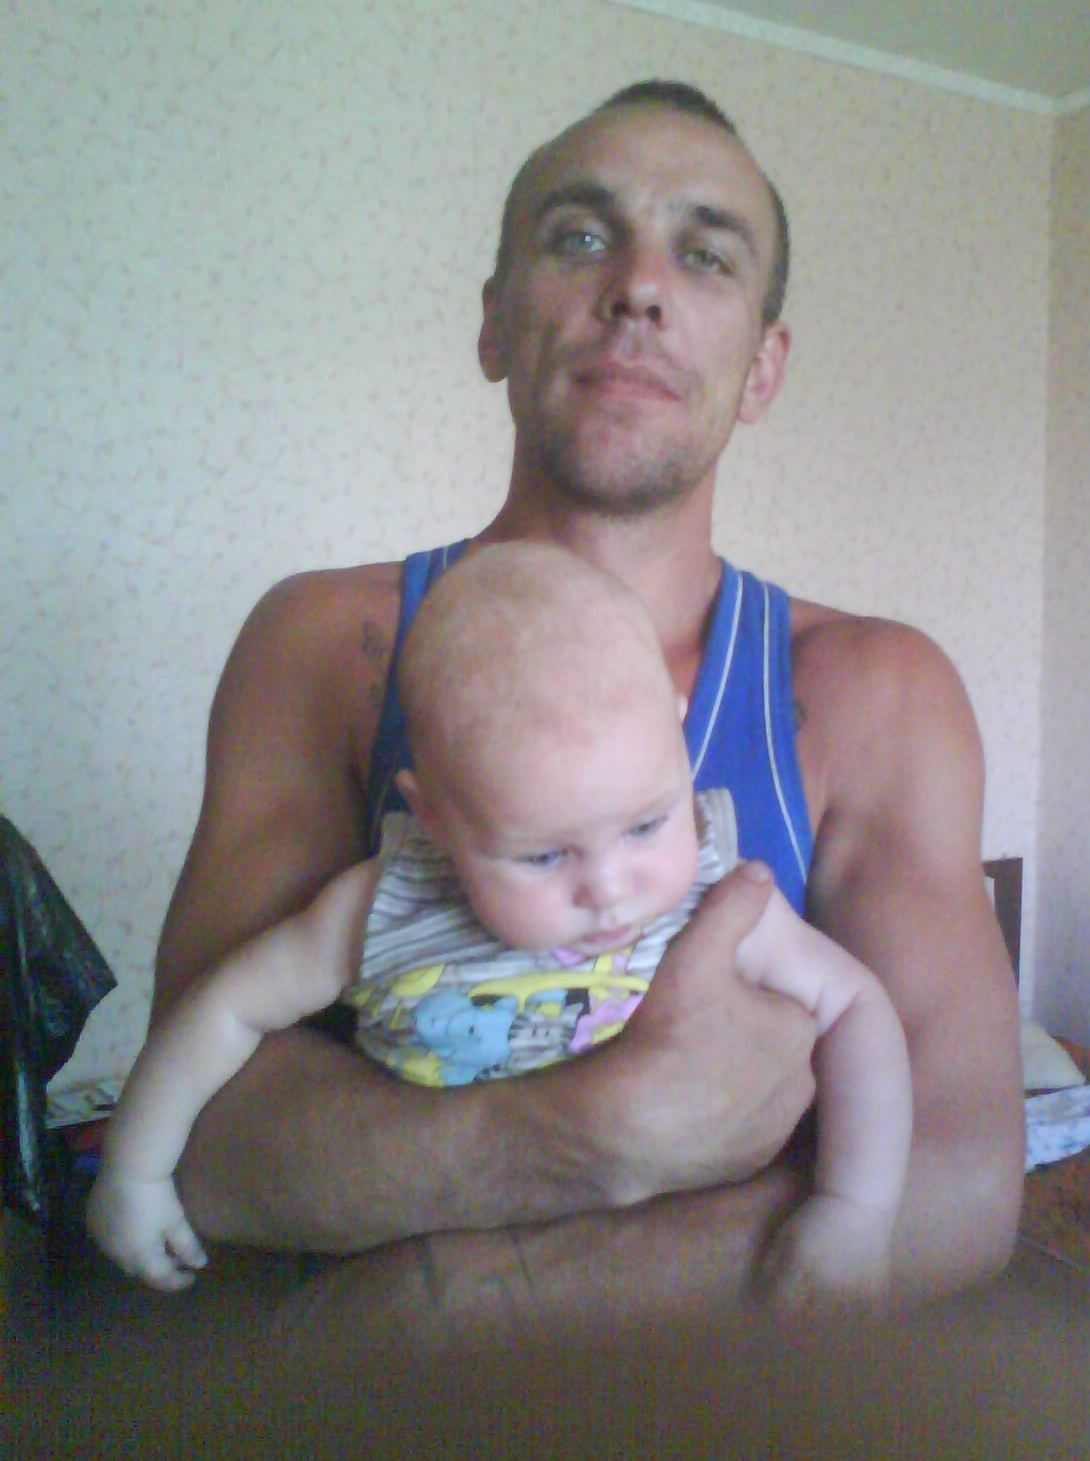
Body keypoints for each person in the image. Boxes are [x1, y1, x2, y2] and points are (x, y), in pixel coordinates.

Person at [152, 78, 1023, 1308]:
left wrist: (459, 1301)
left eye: (706, 255)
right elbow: (205, 1144)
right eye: (580, 236)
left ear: (763, 367)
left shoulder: (881, 692)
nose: (640, 287)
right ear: (495, 322)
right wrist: (595, 1131)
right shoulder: (322, 647)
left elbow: (961, 1183)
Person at [89, 544, 911, 1298]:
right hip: (419, 1281)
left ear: (679, 731)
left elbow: (854, 1004)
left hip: (671, 1287)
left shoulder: (712, 894)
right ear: (436, 818)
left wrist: (856, 1208)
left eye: (646, 824)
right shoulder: (384, 904)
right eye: (544, 856)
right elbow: (228, 1008)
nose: (611, 889)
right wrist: (135, 1171)